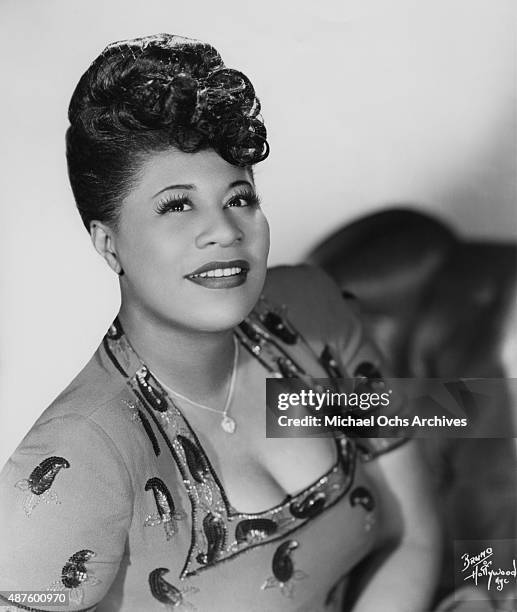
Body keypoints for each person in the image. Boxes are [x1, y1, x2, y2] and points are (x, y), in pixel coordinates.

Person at [0, 34, 441, 612]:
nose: (226, 231)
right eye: (177, 205)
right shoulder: (76, 461)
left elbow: (410, 534)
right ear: (110, 246)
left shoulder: (311, 319)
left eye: (239, 198)